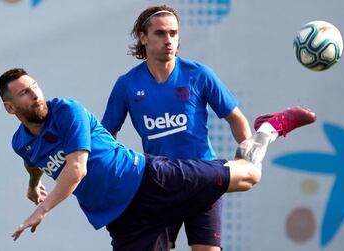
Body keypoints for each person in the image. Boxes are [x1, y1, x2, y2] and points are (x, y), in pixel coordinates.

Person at [0, 68, 316, 251]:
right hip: (122, 219)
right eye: (24, 93)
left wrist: (41, 209)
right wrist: (33, 184)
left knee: (249, 176)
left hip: (150, 180)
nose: (35, 94)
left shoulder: (67, 111)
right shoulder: (20, 143)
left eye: (34, 86)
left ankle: (267, 129)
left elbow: (76, 168)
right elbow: (33, 160)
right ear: (11, 108)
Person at [101, 5, 251, 250]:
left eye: (173, 33)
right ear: (143, 37)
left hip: (203, 177)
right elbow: (107, 136)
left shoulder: (198, 74)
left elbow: (237, 119)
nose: (168, 40)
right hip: (162, 183)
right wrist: (112, 177)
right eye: (160, 33)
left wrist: (244, 158)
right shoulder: (127, 85)